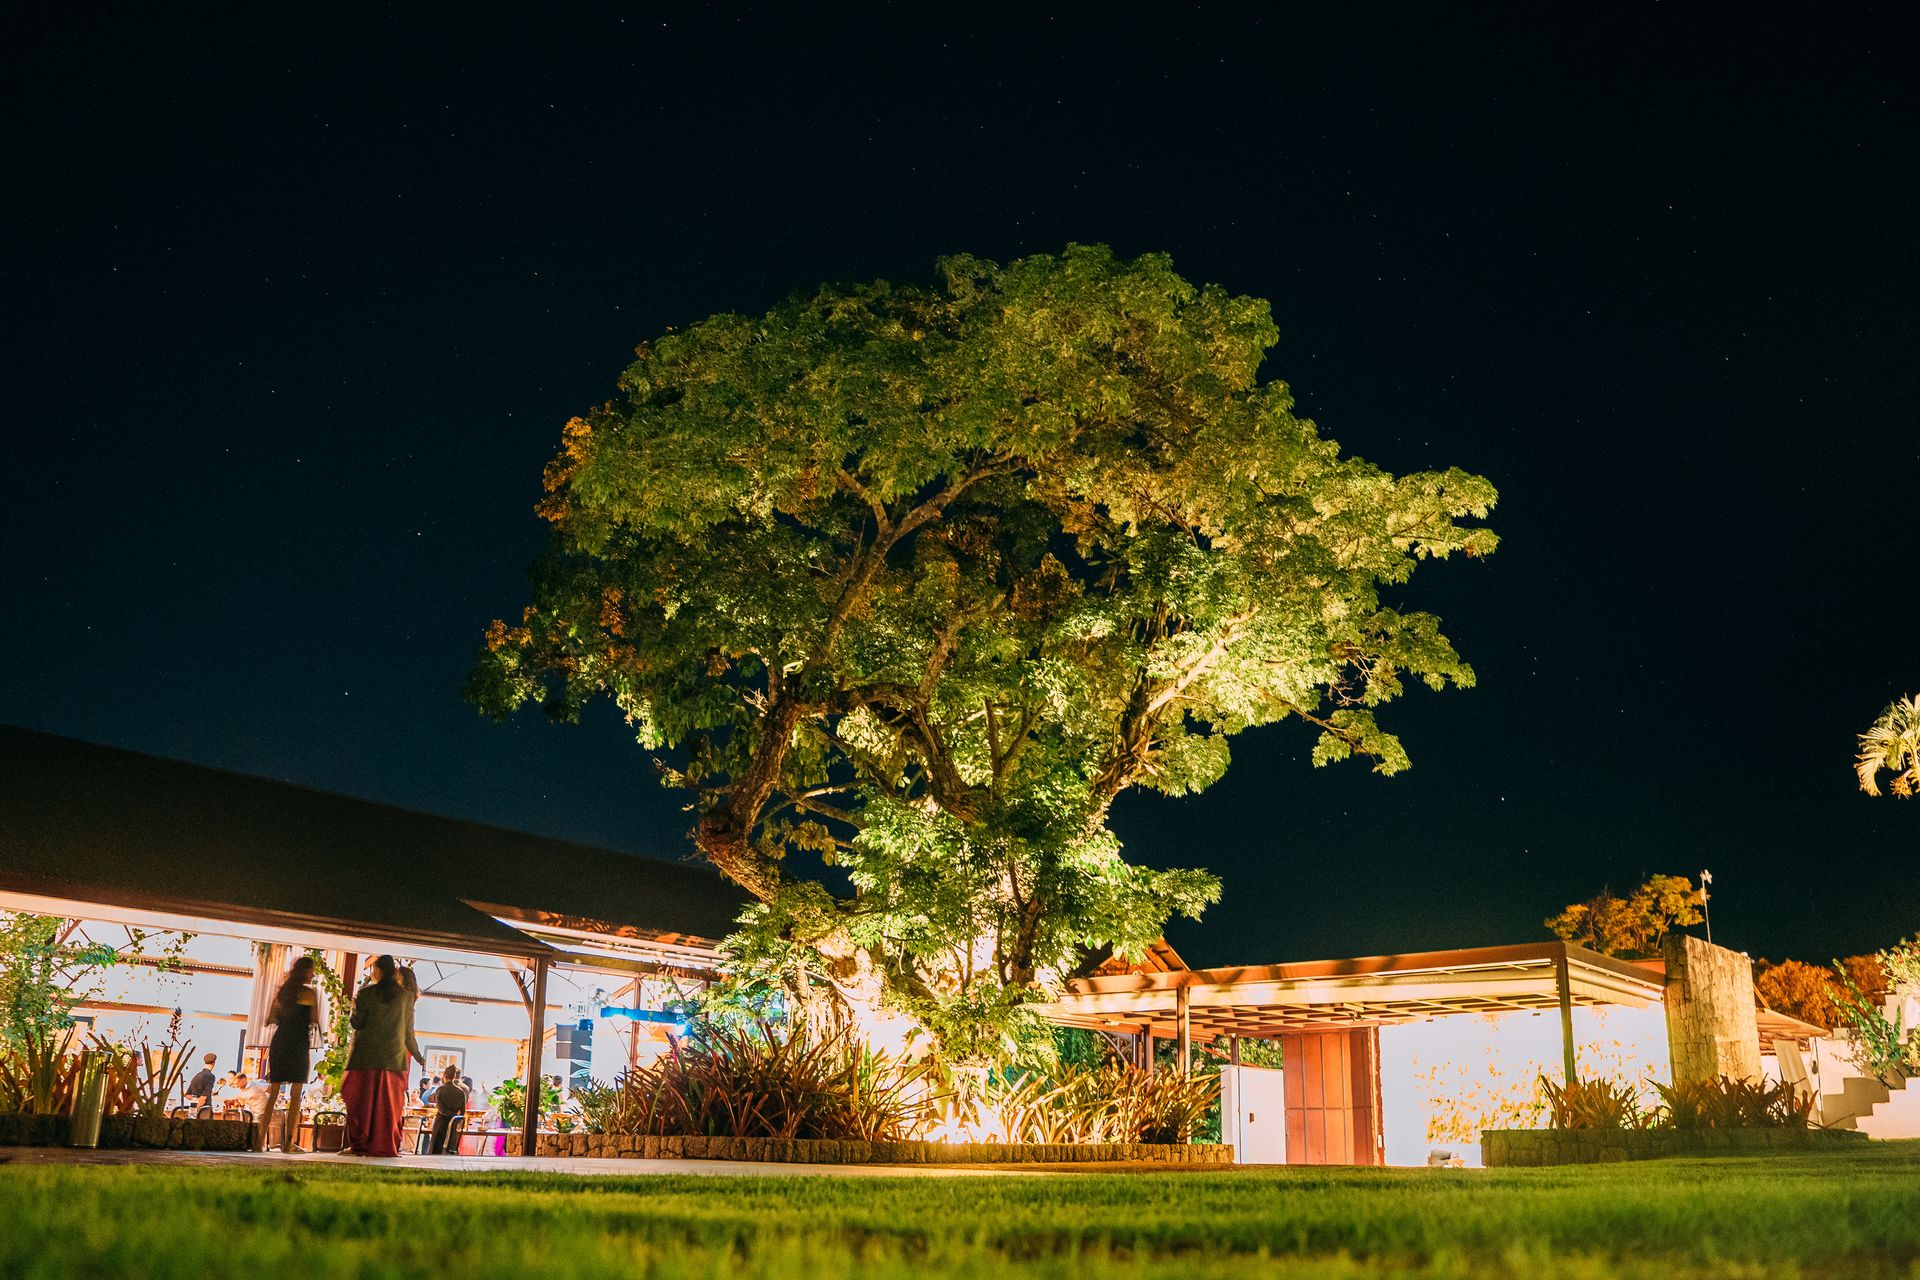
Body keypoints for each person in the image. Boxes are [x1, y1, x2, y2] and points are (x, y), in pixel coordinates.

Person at [339, 954, 424, 1157]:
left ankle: (360, 1145)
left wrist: (353, 1009)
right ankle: (385, 1145)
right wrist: (418, 1056)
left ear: (377, 971)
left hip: (366, 1056)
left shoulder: (366, 994)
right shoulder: (406, 997)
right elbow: (408, 1033)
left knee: (361, 1105)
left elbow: (358, 1024)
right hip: (393, 1058)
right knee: (388, 1107)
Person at [258, 955, 319, 1152]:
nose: (313, 974)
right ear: (305, 972)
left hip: (281, 1042)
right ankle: (288, 1143)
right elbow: (315, 1019)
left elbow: (269, 1019)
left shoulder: (282, 994)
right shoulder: (309, 994)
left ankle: (259, 1142)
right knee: (295, 1096)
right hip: (299, 1043)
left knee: (274, 1092)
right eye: (312, 970)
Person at [428, 1064, 468, 1154]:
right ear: (454, 1076)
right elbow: (462, 1111)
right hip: (454, 1125)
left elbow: (441, 1109)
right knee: (451, 1151)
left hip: (441, 1124)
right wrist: (455, 1117)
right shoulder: (461, 1092)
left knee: (435, 1151)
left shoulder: (440, 1090)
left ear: (444, 1076)